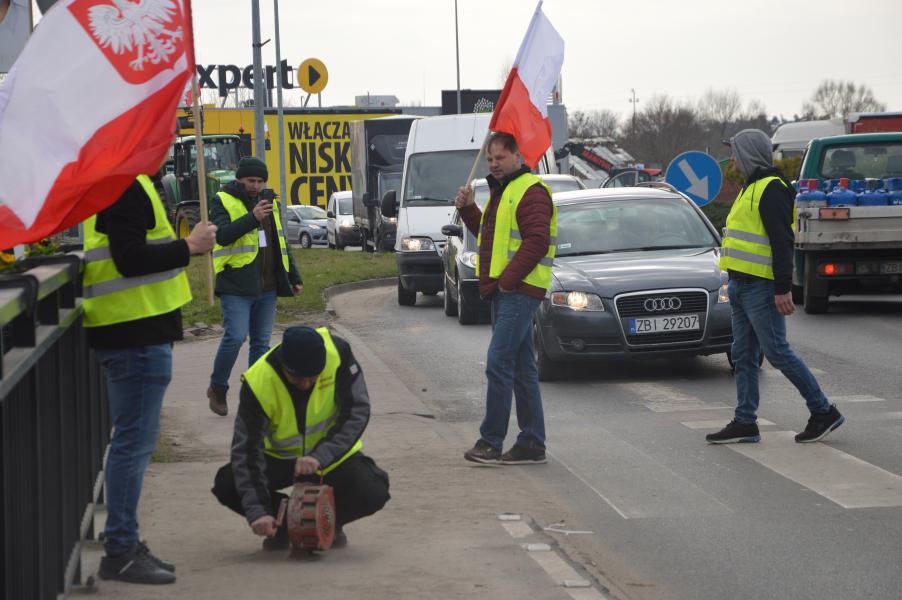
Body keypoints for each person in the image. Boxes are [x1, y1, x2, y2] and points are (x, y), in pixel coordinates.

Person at [84, 170, 218, 584]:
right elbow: (129, 258)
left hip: (132, 330)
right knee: (132, 446)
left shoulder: (123, 181)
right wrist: (189, 246)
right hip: (134, 333)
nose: (165, 142)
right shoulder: (123, 184)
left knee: (130, 444)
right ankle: (121, 549)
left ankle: (124, 541)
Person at [707, 129, 844, 444]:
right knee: (742, 354)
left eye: (737, 152)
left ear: (750, 153)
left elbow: (783, 242)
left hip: (762, 288)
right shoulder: (750, 187)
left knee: (777, 352)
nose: (734, 159)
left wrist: (783, 288)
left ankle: (823, 410)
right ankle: (745, 422)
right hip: (740, 285)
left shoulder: (772, 188)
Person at [211, 326, 390, 550]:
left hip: (329, 457)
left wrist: (320, 456)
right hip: (279, 459)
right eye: (296, 378)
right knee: (227, 484)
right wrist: (258, 511)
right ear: (284, 365)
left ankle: (328, 523)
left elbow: (357, 411)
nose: (305, 384)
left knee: (372, 489)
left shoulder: (338, 354)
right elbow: (246, 449)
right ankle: (285, 527)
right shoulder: (259, 382)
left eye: (312, 377)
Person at [454, 132, 557, 465]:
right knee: (522, 369)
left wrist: (509, 282)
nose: (494, 164)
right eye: (490, 159)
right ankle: (531, 443)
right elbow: (488, 236)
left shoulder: (531, 191)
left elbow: (537, 241)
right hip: (507, 292)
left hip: (518, 292)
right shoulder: (504, 192)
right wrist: (469, 210)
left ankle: (491, 441)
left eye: (500, 157)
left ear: (517, 156)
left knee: (498, 363)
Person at [206, 156, 303, 416]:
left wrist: (293, 276)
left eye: (260, 181)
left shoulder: (271, 203)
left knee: (261, 344)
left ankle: (254, 397)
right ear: (240, 179)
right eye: (251, 181)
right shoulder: (222, 200)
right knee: (235, 337)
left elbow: (280, 242)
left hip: (268, 287)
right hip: (236, 285)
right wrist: (252, 217)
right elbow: (223, 236)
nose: (256, 186)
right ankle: (217, 387)